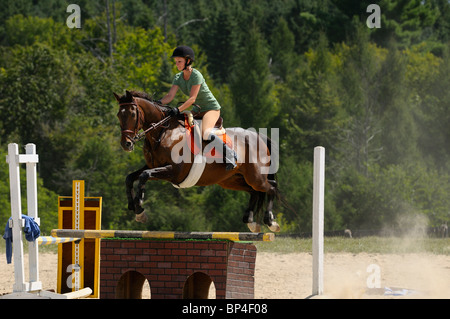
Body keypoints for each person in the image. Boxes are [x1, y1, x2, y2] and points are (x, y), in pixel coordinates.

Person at [159, 45, 236, 170]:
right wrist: (158, 103)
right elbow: (169, 96)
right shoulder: (178, 77)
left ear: (188, 61)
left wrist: (178, 109)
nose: (177, 64)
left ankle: (230, 155)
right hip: (197, 110)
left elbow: (192, 99)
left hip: (211, 109)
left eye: (179, 61)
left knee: (205, 133)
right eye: (176, 62)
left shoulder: (196, 75)